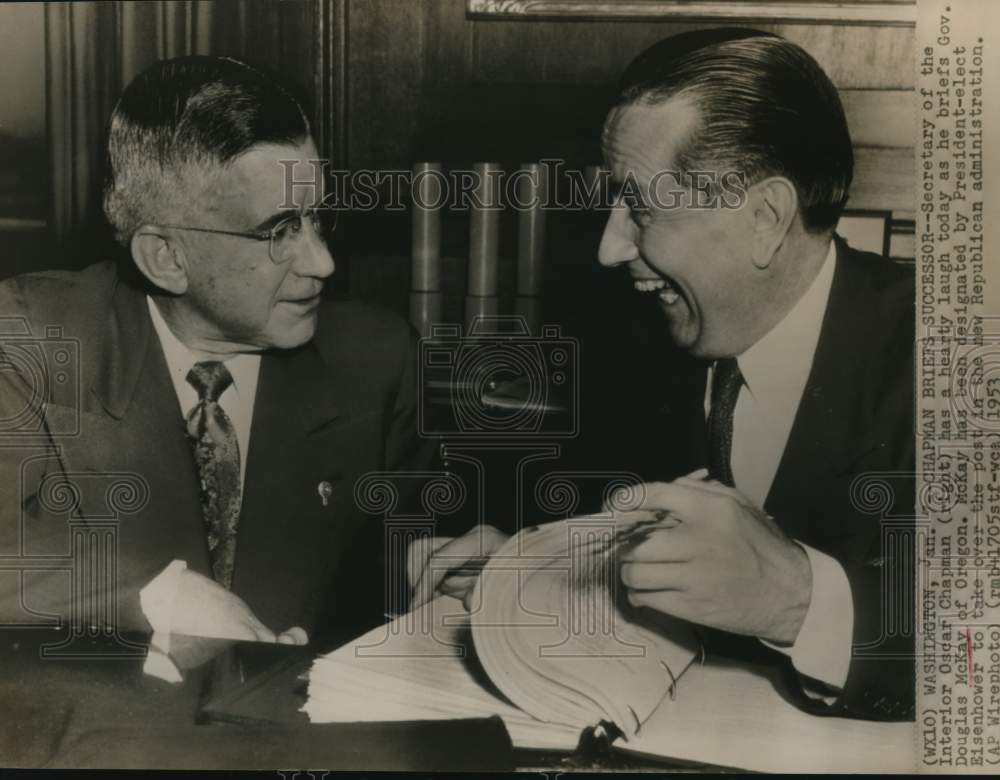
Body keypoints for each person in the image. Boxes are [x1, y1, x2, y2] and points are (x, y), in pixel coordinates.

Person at [411, 29, 915, 721]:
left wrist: (796, 599)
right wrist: (540, 580)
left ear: (765, 217)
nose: (609, 248)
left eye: (641, 209)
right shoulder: (630, 349)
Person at [0, 56, 433, 652]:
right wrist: (160, 596)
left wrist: (429, 569)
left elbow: (396, 567)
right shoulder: (32, 344)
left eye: (318, 219)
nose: (322, 262)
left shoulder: (377, 360)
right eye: (281, 230)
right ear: (166, 258)